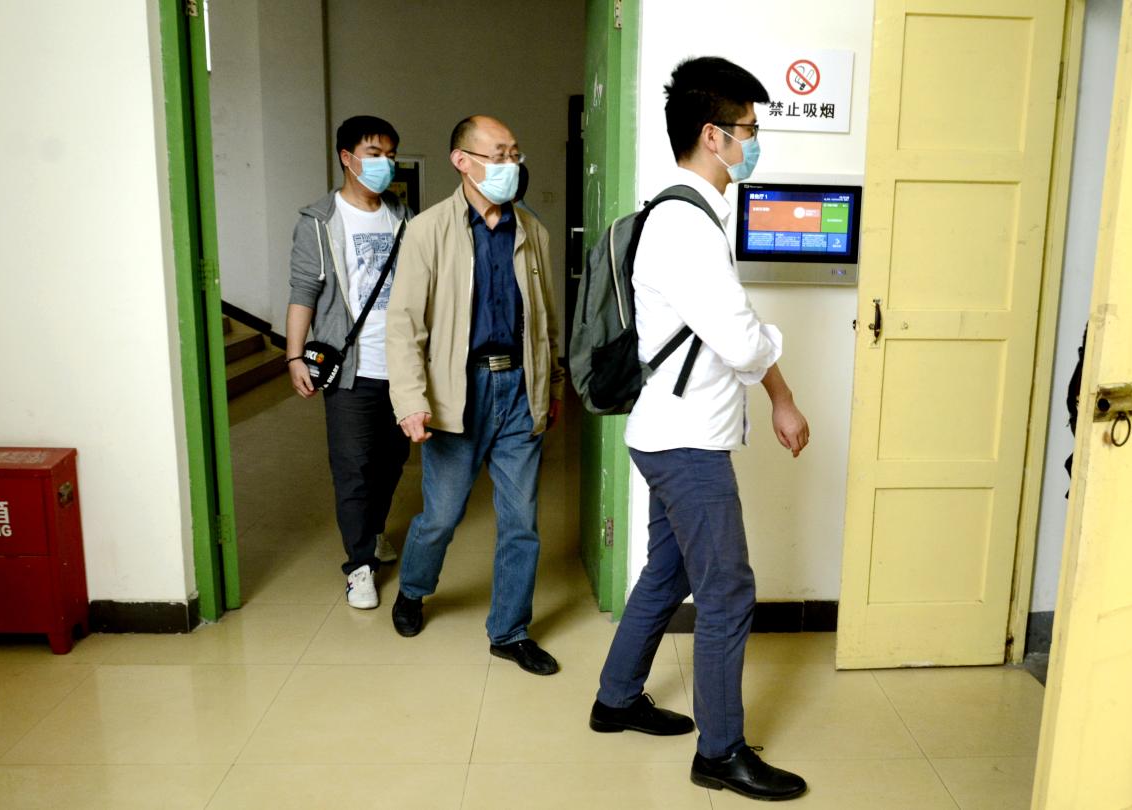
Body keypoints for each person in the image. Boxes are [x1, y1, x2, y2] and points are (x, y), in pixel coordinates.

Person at [588, 57, 810, 801]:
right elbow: (742, 341)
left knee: (670, 570)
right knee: (727, 592)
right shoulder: (686, 226)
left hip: (669, 432)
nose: (755, 141)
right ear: (714, 136)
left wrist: (776, 391)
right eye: (749, 128)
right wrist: (775, 374)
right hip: (687, 444)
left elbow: (732, 333)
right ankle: (720, 752)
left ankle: (616, 698)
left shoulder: (686, 214)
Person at [385, 115, 565, 676]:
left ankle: (509, 632)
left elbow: (546, 320)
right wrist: (410, 399)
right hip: (456, 391)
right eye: (498, 155)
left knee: (521, 521)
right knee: (442, 515)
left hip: (520, 388)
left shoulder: (533, 232)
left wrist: (553, 384)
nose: (511, 165)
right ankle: (413, 589)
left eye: (515, 154)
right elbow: (404, 323)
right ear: (462, 161)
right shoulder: (428, 231)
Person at [286, 115, 412, 610]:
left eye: (390, 154)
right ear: (347, 157)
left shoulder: (404, 217)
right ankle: (360, 565)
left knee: (392, 461)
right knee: (353, 467)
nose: (385, 163)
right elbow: (303, 291)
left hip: (402, 366)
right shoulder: (320, 221)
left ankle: (375, 529)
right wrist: (294, 355)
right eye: (374, 153)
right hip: (351, 368)